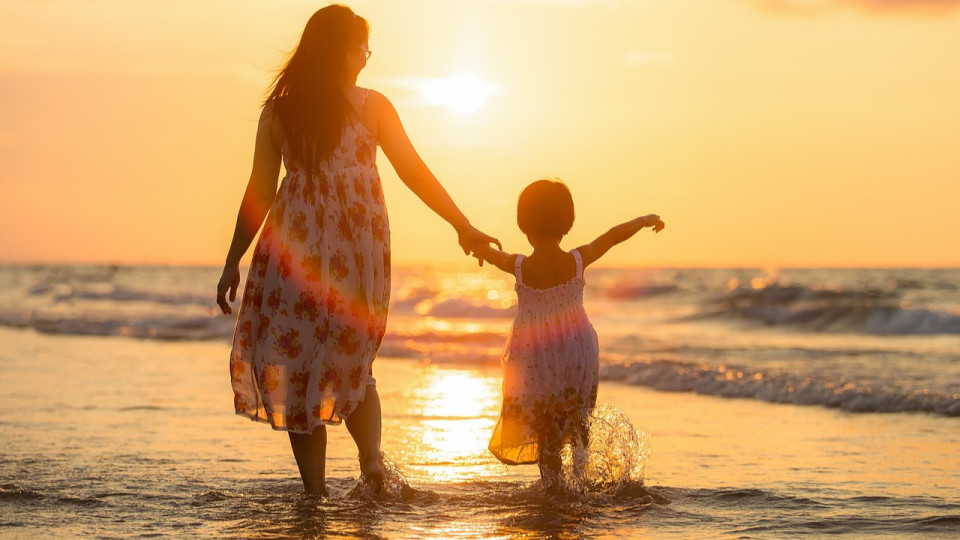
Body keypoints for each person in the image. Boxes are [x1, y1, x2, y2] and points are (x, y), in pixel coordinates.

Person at [215, 5, 498, 496]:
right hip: (355, 252)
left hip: (293, 254)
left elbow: (259, 192)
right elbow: (413, 171)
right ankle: (371, 464)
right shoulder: (370, 106)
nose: (367, 58)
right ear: (342, 51)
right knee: (353, 360)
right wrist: (462, 225)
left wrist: (233, 260)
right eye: (362, 47)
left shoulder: (281, 110)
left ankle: (315, 493)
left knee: (298, 365)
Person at [472, 179, 664, 489]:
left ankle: (555, 488)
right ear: (568, 222)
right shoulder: (577, 260)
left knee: (546, 430)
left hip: (537, 359)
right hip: (578, 352)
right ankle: (581, 483)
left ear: (523, 224)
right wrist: (642, 221)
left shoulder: (520, 266)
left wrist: (472, 244)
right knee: (578, 422)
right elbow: (612, 237)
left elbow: (490, 254)